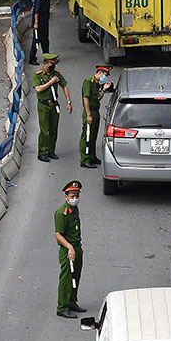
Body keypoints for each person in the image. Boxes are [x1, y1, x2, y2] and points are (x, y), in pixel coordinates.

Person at [54, 180, 86, 319]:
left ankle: (72, 302)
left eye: (77, 195)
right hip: (68, 250)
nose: (75, 198)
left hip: (77, 247)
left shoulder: (74, 209)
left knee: (76, 276)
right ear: (66, 196)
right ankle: (62, 307)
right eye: (72, 196)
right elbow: (58, 234)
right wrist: (70, 247)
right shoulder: (62, 213)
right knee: (67, 278)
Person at [34, 52, 72, 162]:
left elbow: (64, 86)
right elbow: (38, 89)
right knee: (45, 130)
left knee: (53, 129)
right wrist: (51, 82)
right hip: (43, 105)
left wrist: (68, 102)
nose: (53, 66)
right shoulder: (38, 75)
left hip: (54, 105)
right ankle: (42, 152)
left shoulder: (55, 74)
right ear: (46, 63)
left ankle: (51, 150)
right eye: (52, 64)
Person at [79, 65, 113, 168]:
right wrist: (88, 114)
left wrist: (104, 90)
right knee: (87, 136)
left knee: (93, 135)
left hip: (95, 111)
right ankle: (84, 159)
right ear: (99, 73)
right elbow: (86, 99)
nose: (105, 77)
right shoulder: (88, 82)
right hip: (90, 111)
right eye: (105, 75)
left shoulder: (97, 83)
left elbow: (98, 98)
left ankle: (92, 156)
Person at [29, 0, 54, 65]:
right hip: (39, 24)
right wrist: (36, 23)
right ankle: (32, 58)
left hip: (44, 23)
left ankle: (47, 57)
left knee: (45, 40)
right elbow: (36, 12)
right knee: (36, 41)